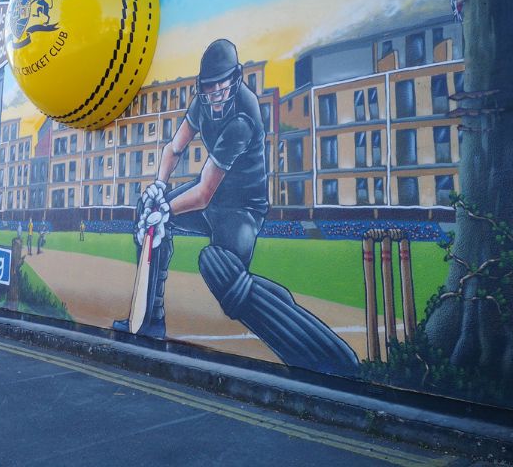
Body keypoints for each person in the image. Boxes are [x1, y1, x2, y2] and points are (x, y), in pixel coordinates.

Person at [113, 39, 359, 376]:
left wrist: (166, 208)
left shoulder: (243, 117)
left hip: (241, 209)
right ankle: (151, 320)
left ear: (236, 78)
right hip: (212, 200)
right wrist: (158, 186)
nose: (214, 94)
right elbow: (175, 147)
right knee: (151, 217)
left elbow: (203, 192)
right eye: (208, 86)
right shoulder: (202, 102)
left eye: (220, 85)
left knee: (224, 274)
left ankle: (304, 338)